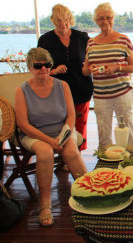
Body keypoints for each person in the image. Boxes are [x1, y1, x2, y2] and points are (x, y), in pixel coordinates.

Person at [14, 47, 87, 227]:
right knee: (45, 152)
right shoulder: (21, 90)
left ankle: (89, 191)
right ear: (30, 67)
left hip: (61, 131)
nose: (44, 69)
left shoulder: (62, 86)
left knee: (70, 150)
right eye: (39, 66)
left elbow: (71, 116)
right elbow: (23, 125)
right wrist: (49, 141)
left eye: (47, 65)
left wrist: (65, 136)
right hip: (34, 134)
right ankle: (45, 205)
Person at [38, 4, 93, 151]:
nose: (63, 24)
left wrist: (88, 66)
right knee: (62, 126)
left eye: (66, 20)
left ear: (71, 19)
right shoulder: (45, 40)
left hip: (82, 88)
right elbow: (39, 65)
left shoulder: (82, 37)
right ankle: (64, 156)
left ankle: (77, 156)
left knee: (80, 124)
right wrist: (54, 70)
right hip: (57, 92)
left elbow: (94, 58)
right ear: (52, 21)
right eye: (58, 21)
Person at [82, 2, 133, 148]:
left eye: (108, 17)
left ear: (113, 18)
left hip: (122, 93)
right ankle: (106, 164)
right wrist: (91, 68)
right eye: (101, 18)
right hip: (101, 96)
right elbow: (85, 70)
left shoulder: (124, 40)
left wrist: (117, 68)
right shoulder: (91, 43)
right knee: (103, 132)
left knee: (126, 129)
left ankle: (130, 159)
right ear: (96, 21)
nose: (105, 21)